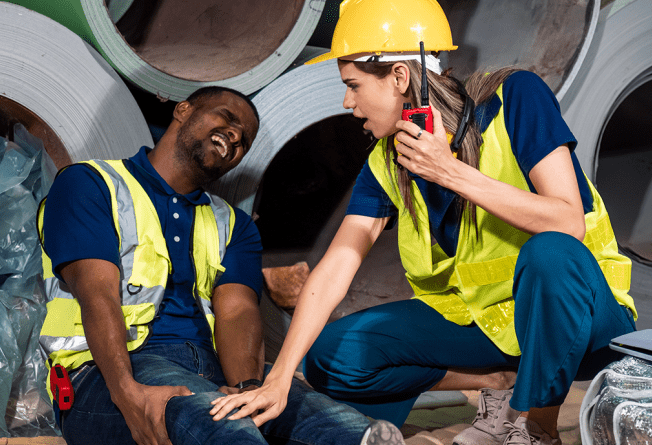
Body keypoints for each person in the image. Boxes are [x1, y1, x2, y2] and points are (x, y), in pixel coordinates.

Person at [209, 1, 638, 444]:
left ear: (399, 77)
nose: (347, 103)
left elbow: (567, 221)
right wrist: (279, 378)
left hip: (584, 325)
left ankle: (534, 426)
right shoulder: (388, 159)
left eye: (353, 86)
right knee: (332, 353)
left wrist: (450, 172)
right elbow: (337, 263)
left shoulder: (517, 99)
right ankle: (500, 380)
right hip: (488, 329)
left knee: (551, 252)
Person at [37, 86, 404, 445]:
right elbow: (97, 295)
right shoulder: (91, 184)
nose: (235, 135)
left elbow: (237, 313)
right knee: (219, 423)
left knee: (334, 423)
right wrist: (126, 392)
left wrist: (248, 387)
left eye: (243, 139)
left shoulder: (233, 224)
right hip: (110, 372)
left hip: (211, 367)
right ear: (183, 111)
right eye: (227, 118)